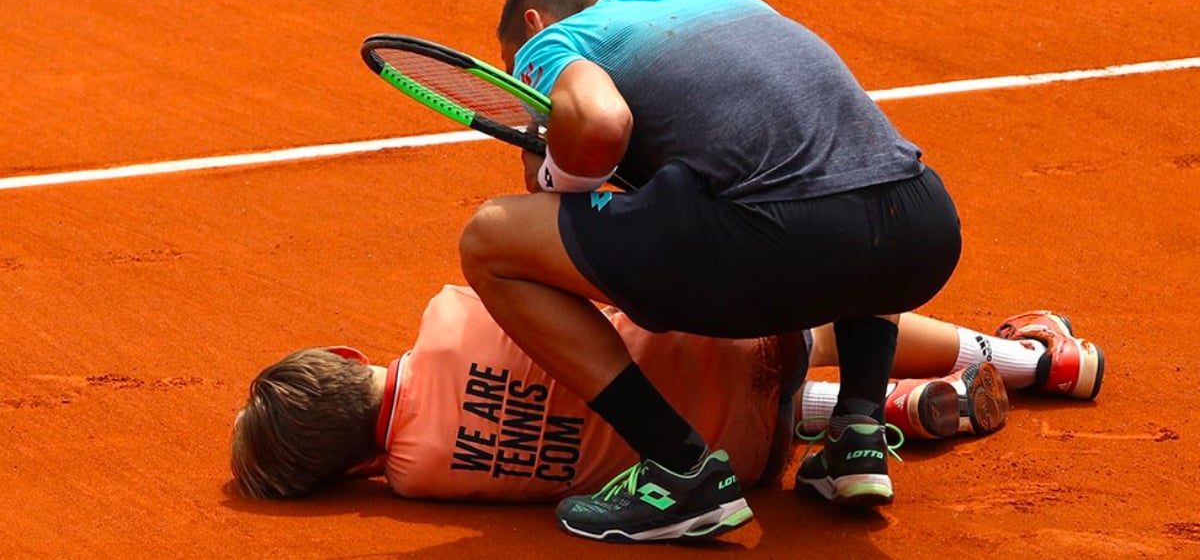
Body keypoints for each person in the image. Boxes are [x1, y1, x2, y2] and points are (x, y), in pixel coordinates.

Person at [457, 0, 962, 540]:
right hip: (921, 229)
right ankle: (858, 431)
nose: (527, 94)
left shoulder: (554, 41)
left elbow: (597, 124)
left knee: (490, 240)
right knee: (841, 177)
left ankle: (679, 469)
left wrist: (548, 164)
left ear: (535, 23)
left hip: (779, 241)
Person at [230, 285, 1104, 507]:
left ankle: (912, 408)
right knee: (832, 319)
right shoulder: (448, 314)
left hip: (746, 463)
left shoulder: (416, 478)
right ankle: (1039, 363)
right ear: (345, 352)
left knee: (677, 411)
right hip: (749, 346)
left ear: (354, 467)